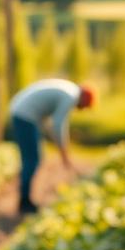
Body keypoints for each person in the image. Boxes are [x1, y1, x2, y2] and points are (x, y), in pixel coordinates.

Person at [7, 79, 96, 215]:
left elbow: (51, 123)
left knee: (32, 159)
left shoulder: (69, 89)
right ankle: (24, 202)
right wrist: (63, 152)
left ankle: (25, 199)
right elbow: (59, 125)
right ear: (84, 99)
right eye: (84, 107)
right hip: (24, 115)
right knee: (32, 160)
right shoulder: (70, 96)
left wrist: (58, 143)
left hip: (23, 112)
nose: (81, 109)